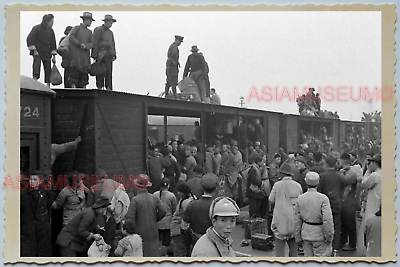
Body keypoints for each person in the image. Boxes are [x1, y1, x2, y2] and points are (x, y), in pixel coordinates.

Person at [124, 174, 167, 257]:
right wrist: (155, 219)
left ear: (137, 186)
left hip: (140, 232)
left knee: (142, 254)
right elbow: (163, 210)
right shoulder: (154, 197)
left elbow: (130, 218)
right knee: (154, 253)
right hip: (153, 230)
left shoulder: (135, 200)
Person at [294, 172, 334, 257]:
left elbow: (297, 219)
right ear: (318, 183)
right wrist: (329, 236)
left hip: (306, 232)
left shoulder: (300, 198)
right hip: (320, 233)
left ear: (306, 182)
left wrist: (297, 237)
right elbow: (327, 220)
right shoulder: (323, 198)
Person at [269, 163, 303, 257]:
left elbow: (271, 200)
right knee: (293, 248)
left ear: (282, 174)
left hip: (280, 221)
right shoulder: (298, 186)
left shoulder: (277, 185)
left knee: (279, 249)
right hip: (294, 221)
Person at [20, 171, 56, 256]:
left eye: (35, 179)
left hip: (42, 232)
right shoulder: (22, 194)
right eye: (31, 179)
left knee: (42, 254)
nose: (32, 181)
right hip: (28, 232)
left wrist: (46, 184)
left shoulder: (43, 193)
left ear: (40, 182)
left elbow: (51, 198)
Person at [181, 173, 218, 252]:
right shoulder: (217, 205)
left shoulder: (192, 204)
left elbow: (184, 226)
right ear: (215, 188)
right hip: (214, 241)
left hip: (196, 240)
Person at [317, 156, 345, 256]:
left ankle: (326, 246)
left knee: (325, 225)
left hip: (325, 205)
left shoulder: (322, 176)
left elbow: (319, 191)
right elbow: (342, 190)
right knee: (336, 226)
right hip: (337, 203)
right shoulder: (340, 176)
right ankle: (335, 249)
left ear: (326, 163)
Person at [358, 154, 381, 255]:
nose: (369, 164)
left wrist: (367, 171)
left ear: (375, 164)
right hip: (380, 206)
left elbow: (364, 184)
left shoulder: (375, 175)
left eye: (370, 163)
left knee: (369, 231)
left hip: (373, 208)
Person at [26, 14, 57, 87]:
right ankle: (34, 82)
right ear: (47, 21)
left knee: (48, 69)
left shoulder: (51, 31)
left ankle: (48, 85)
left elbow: (53, 43)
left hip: (47, 52)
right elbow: (30, 39)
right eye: (51, 21)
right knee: (36, 66)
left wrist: (54, 56)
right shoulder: (37, 28)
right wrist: (34, 50)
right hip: (38, 52)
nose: (52, 23)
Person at [68, 12, 95, 88]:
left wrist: (86, 46)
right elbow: (71, 37)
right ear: (85, 19)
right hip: (76, 55)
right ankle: (73, 88)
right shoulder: (76, 28)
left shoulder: (89, 32)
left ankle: (83, 88)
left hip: (85, 57)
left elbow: (92, 43)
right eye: (89, 20)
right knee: (74, 73)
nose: (90, 22)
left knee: (84, 75)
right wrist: (79, 44)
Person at [338, 153, 358, 252]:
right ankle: (343, 241)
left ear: (342, 161)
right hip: (343, 202)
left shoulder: (352, 172)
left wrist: (340, 173)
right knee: (343, 223)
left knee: (350, 224)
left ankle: (352, 244)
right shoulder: (345, 171)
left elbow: (345, 181)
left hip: (349, 202)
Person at [171, 181, 197, 256]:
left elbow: (187, 218)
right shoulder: (192, 198)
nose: (177, 193)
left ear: (183, 192)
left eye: (179, 191)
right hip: (184, 231)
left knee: (179, 252)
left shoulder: (186, 202)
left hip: (180, 231)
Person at [92, 14, 117, 91]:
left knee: (109, 71)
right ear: (106, 22)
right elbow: (95, 42)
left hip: (108, 55)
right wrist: (94, 54)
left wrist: (114, 54)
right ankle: (100, 87)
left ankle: (108, 87)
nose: (111, 25)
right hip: (101, 54)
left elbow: (113, 44)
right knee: (100, 71)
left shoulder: (110, 33)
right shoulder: (98, 30)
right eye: (110, 23)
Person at [153, 178, 177, 255]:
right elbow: (174, 209)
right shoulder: (171, 196)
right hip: (168, 223)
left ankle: (158, 253)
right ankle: (165, 255)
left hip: (157, 221)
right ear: (168, 185)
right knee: (166, 242)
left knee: (157, 240)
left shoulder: (155, 195)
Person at [165, 35, 184, 99]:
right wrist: (175, 62)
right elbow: (174, 54)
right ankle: (174, 96)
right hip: (172, 66)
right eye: (180, 42)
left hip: (170, 65)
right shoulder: (174, 47)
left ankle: (166, 94)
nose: (180, 43)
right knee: (173, 80)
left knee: (169, 80)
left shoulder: (172, 46)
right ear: (177, 40)